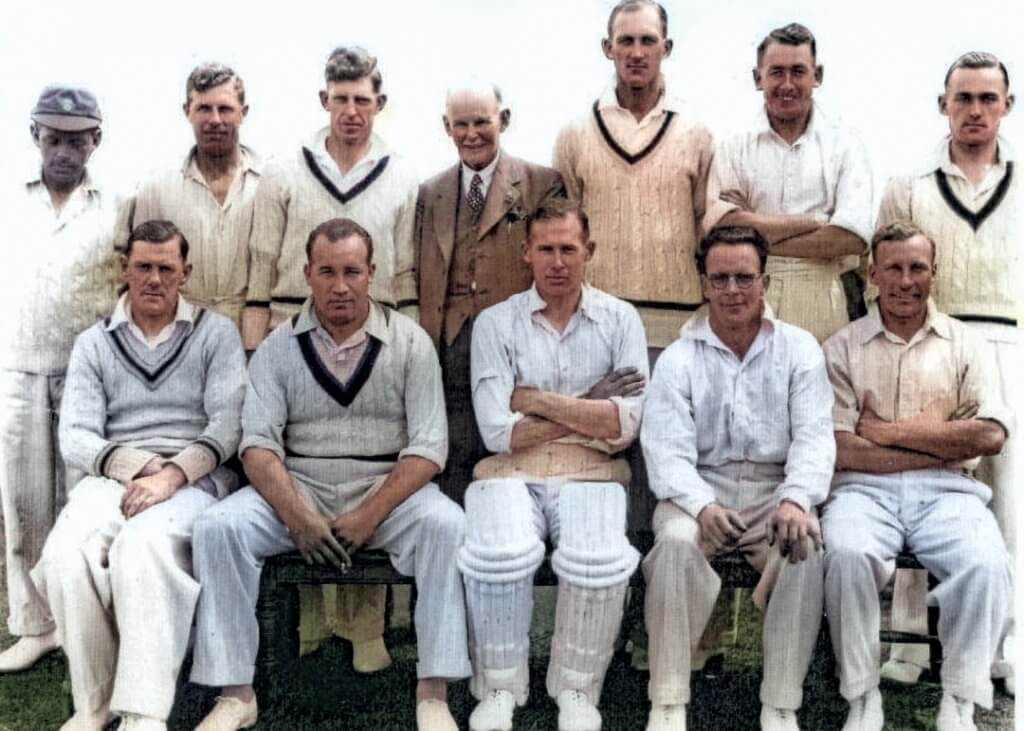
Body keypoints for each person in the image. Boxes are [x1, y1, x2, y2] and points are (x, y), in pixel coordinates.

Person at [189, 217, 469, 731]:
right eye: (326, 272)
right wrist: (296, 517)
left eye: (352, 272)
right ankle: (235, 692)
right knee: (217, 527)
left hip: (386, 492)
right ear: (307, 274)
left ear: (372, 274)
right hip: (301, 487)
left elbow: (429, 449)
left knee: (447, 526)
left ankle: (434, 692)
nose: (340, 286)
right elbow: (257, 445)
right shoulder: (278, 346)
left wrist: (368, 515)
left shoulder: (409, 342)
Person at [31, 220, 247, 731]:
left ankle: (144, 713)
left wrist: (172, 475)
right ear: (124, 270)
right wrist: (143, 467)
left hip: (195, 479)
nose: (153, 279)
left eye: (165, 269)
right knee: (66, 554)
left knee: (142, 547)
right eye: (143, 267)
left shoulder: (215, 334)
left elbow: (229, 423)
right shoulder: (95, 343)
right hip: (117, 477)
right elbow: (78, 435)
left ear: (184, 273)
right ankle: (94, 703)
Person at [245, 45, 419, 669]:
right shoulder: (284, 169)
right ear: (325, 100)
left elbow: (404, 272)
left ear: (379, 103)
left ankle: (366, 628)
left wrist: (408, 348)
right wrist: (254, 344)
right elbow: (261, 263)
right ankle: (315, 624)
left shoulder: (401, 174)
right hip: (297, 341)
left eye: (362, 100)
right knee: (302, 469)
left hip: (375, 338)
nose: (351, 111)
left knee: (368, 468)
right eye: (340, 99)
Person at [459, 201, 647, 731]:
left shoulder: (620, 319)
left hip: (592, 470)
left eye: (569, 248)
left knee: (599, 557)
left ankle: (577, 690)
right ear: (527, 253)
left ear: (589, 252)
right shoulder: (497, 323)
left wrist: (537, 399)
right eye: (546, 249)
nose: (558, 261)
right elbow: (500, 432)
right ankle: (499, 687)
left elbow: (623, 425)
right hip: (509, 469)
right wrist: (590, 404)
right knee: (501, 551)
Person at [641, 225, 834, 731]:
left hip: (775, 493)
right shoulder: (679, 358)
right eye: (720, 278)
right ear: (703, 283)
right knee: (676, 546)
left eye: (744, 278)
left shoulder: (800, 349)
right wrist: (702, 506)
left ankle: (780, 701)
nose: (732, 290)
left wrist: (795, 500)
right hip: (697, 492)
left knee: (804, 544)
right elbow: (665, 453)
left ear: (765, 281)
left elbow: (815, 439)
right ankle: (668, 700)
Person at [821, 220, 1012, 731]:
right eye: (895, 268)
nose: (907, 281)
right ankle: (862, 695)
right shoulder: (842, 346)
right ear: (873, 274)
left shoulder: (964, 342)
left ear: (934, 272)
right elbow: (842, 449)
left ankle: (960, 699)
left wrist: (885, 433)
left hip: (950, 494)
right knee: (845, 554)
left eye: (918, 268)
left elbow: (990, 435)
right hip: (864, 491)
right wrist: (938, 442)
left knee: (986, 562)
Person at [876, 51, 1019, 692]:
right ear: (944, 105)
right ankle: (909, 647)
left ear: (1007, 106)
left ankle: (1003, 650)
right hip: (928, 342)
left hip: (1009, 346)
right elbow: (879, 270)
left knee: (1010, 506)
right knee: (916, 486)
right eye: (964, 98)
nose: (975, 111)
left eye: (988, 99)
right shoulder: (909, 185)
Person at [0, 84, 120, 674]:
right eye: (54, 138)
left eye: (77, 139)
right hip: (18, 368)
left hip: (86, 376)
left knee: (83, 507)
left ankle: (85, 627)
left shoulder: (115, 206)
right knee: (23, 506)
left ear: (95, 140)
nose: (65, 150)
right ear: (35, 136)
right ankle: (34, 626)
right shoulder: (9, 201)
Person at [416, 79, 565, 502]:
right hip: (452, 345)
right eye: (460, 124)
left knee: (510, 449)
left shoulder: (541, 182)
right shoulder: (431, 192)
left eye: (481, 122)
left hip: (516, 342)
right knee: (457, 448)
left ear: (504, 120)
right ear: (447, 127)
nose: (471, 134)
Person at [552, 0, 717, 351]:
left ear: (666, 47)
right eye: (626, 41)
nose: (637, 53)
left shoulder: (697, 134)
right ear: (607, 48)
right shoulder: (574, 134)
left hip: (678, 328)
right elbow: (563, 234)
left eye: (648, 40)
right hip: (595, 327)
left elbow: (707, 226)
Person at [704, 22, 873, 343]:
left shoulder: (845, 145)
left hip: (822, 293)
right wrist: (810, 222)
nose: (787, 84)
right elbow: (723, 228)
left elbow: (849, 238)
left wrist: (753, 238)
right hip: (749, 294)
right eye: (776, 72)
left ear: (817, 75)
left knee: (817, 390)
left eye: (798, 71)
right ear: (758, 78)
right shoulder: (735, 145)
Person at [125, 62, 261, 328]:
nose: (215, 120)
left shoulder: (269, 184)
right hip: (179, 336)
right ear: (187, 111)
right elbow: (138, 273)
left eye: (225, 109)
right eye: (203, 108)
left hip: (250, 338)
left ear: (243, 112)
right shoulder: (157, 188)